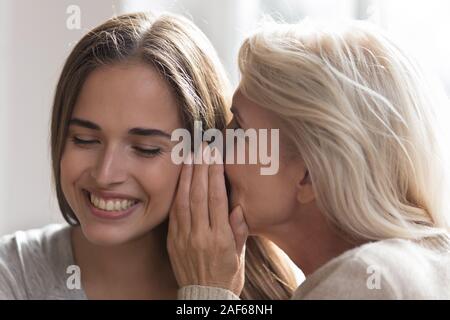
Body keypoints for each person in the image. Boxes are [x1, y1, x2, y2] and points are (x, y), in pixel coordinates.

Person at [0, 12, 296, 299]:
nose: (105, 174)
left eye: (146, 149)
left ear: (207, 155)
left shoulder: (277, 291)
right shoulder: (14, 275)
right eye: (85, 140)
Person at [168, 20, 450, 299]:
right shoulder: (419, 265)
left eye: (239, 129)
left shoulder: (366, 281)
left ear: (309, 175)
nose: (213, 145)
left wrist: (207, 293)